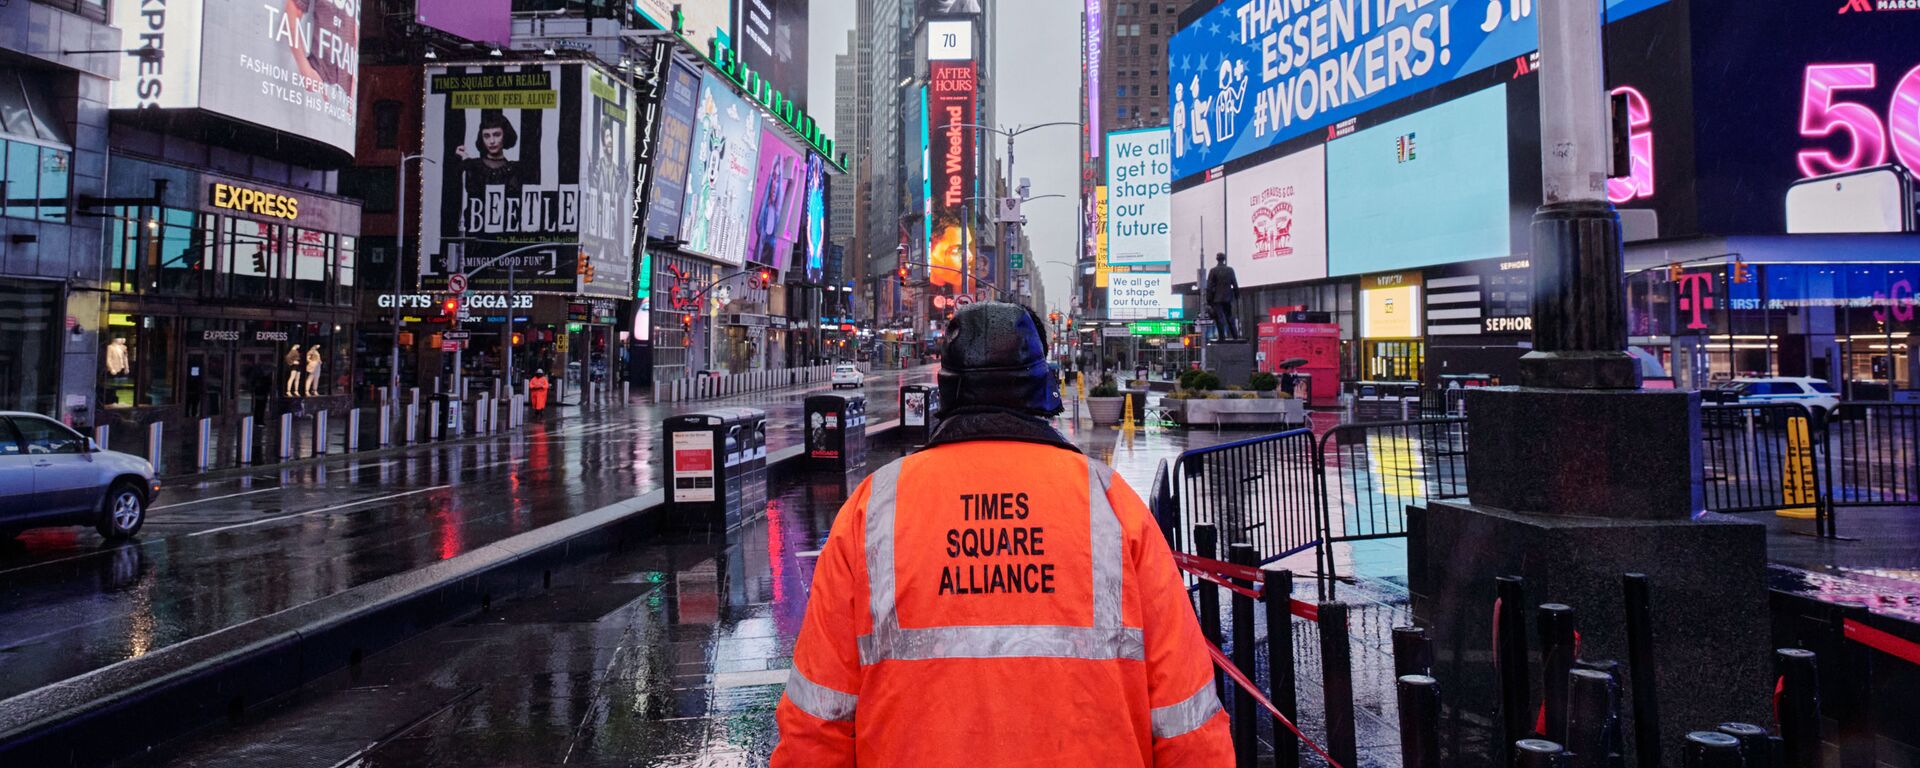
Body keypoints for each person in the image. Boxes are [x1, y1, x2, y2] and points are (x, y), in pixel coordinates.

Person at [772, 302, 1232, 767]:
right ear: (1043, 387)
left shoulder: (874, 510)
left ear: (945, 390)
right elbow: (1187, 725)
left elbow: (817, 727)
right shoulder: (1112, 506)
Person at [1206, 253, 1240, 341]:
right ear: (1224, 259)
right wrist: (1237, 295)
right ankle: (1235, 336)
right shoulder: (1230, 270)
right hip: (1228, 298)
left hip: (1217, 299)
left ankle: (1222, 337)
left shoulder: (1213, 271)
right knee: (1229, 317)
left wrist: (1209, 300)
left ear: (1217, 259)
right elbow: (1235, 284)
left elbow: (1209, 287)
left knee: (1219, 318)